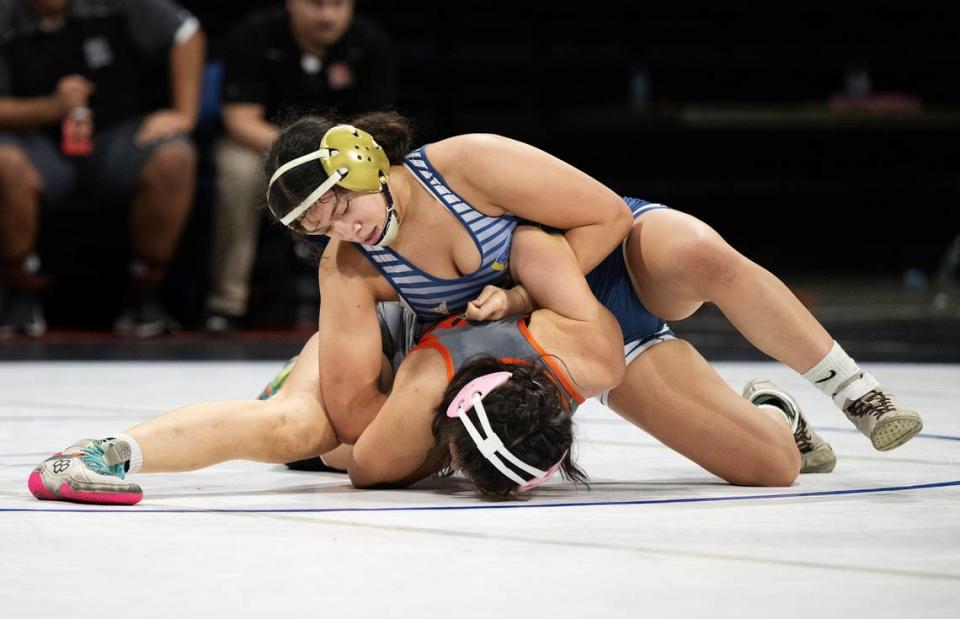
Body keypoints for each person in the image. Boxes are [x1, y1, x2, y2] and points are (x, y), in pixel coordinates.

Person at [263, 110, 923, 478]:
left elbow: (606, 216)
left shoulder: (467, 164)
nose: (347, 229)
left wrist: (523, 295)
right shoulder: (351, 260)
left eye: (344, 206)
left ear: (366, 162)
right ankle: (780, 415)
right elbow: (357, 421)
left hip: (611, 268)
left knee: (702, 252)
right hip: (574, 343)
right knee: (773, 467)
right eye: (323, 226)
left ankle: (851, 386)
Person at [27, 225, 630, 502]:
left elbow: (539, 247)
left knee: (319, 432)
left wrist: (518, 295)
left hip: (422, 344)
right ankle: (92, 455)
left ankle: (296, 375)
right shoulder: (425, 387)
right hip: (377, 350)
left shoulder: (592, 353)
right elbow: (364, 463)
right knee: (296, 428)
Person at [0, 0, 205, 338]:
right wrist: (52, 107)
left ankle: (145, 291)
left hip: (117, 137)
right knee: (5, 162)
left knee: (174, 157)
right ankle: (18, 289)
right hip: (32, 141)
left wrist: (184, 113)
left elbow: (186, 31)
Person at [205, 0, 395, 332]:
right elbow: (239, 120)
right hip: (264, 150)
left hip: (343, 155)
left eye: (337, 4)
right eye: (316, 5)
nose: (327, 16)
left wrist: (327, 161)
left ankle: (381, 301)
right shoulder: (253, 36)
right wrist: (303, 161)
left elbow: (374, 127)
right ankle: (226, 302)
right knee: (236, 172)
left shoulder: (370, 42)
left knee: (387, 175)